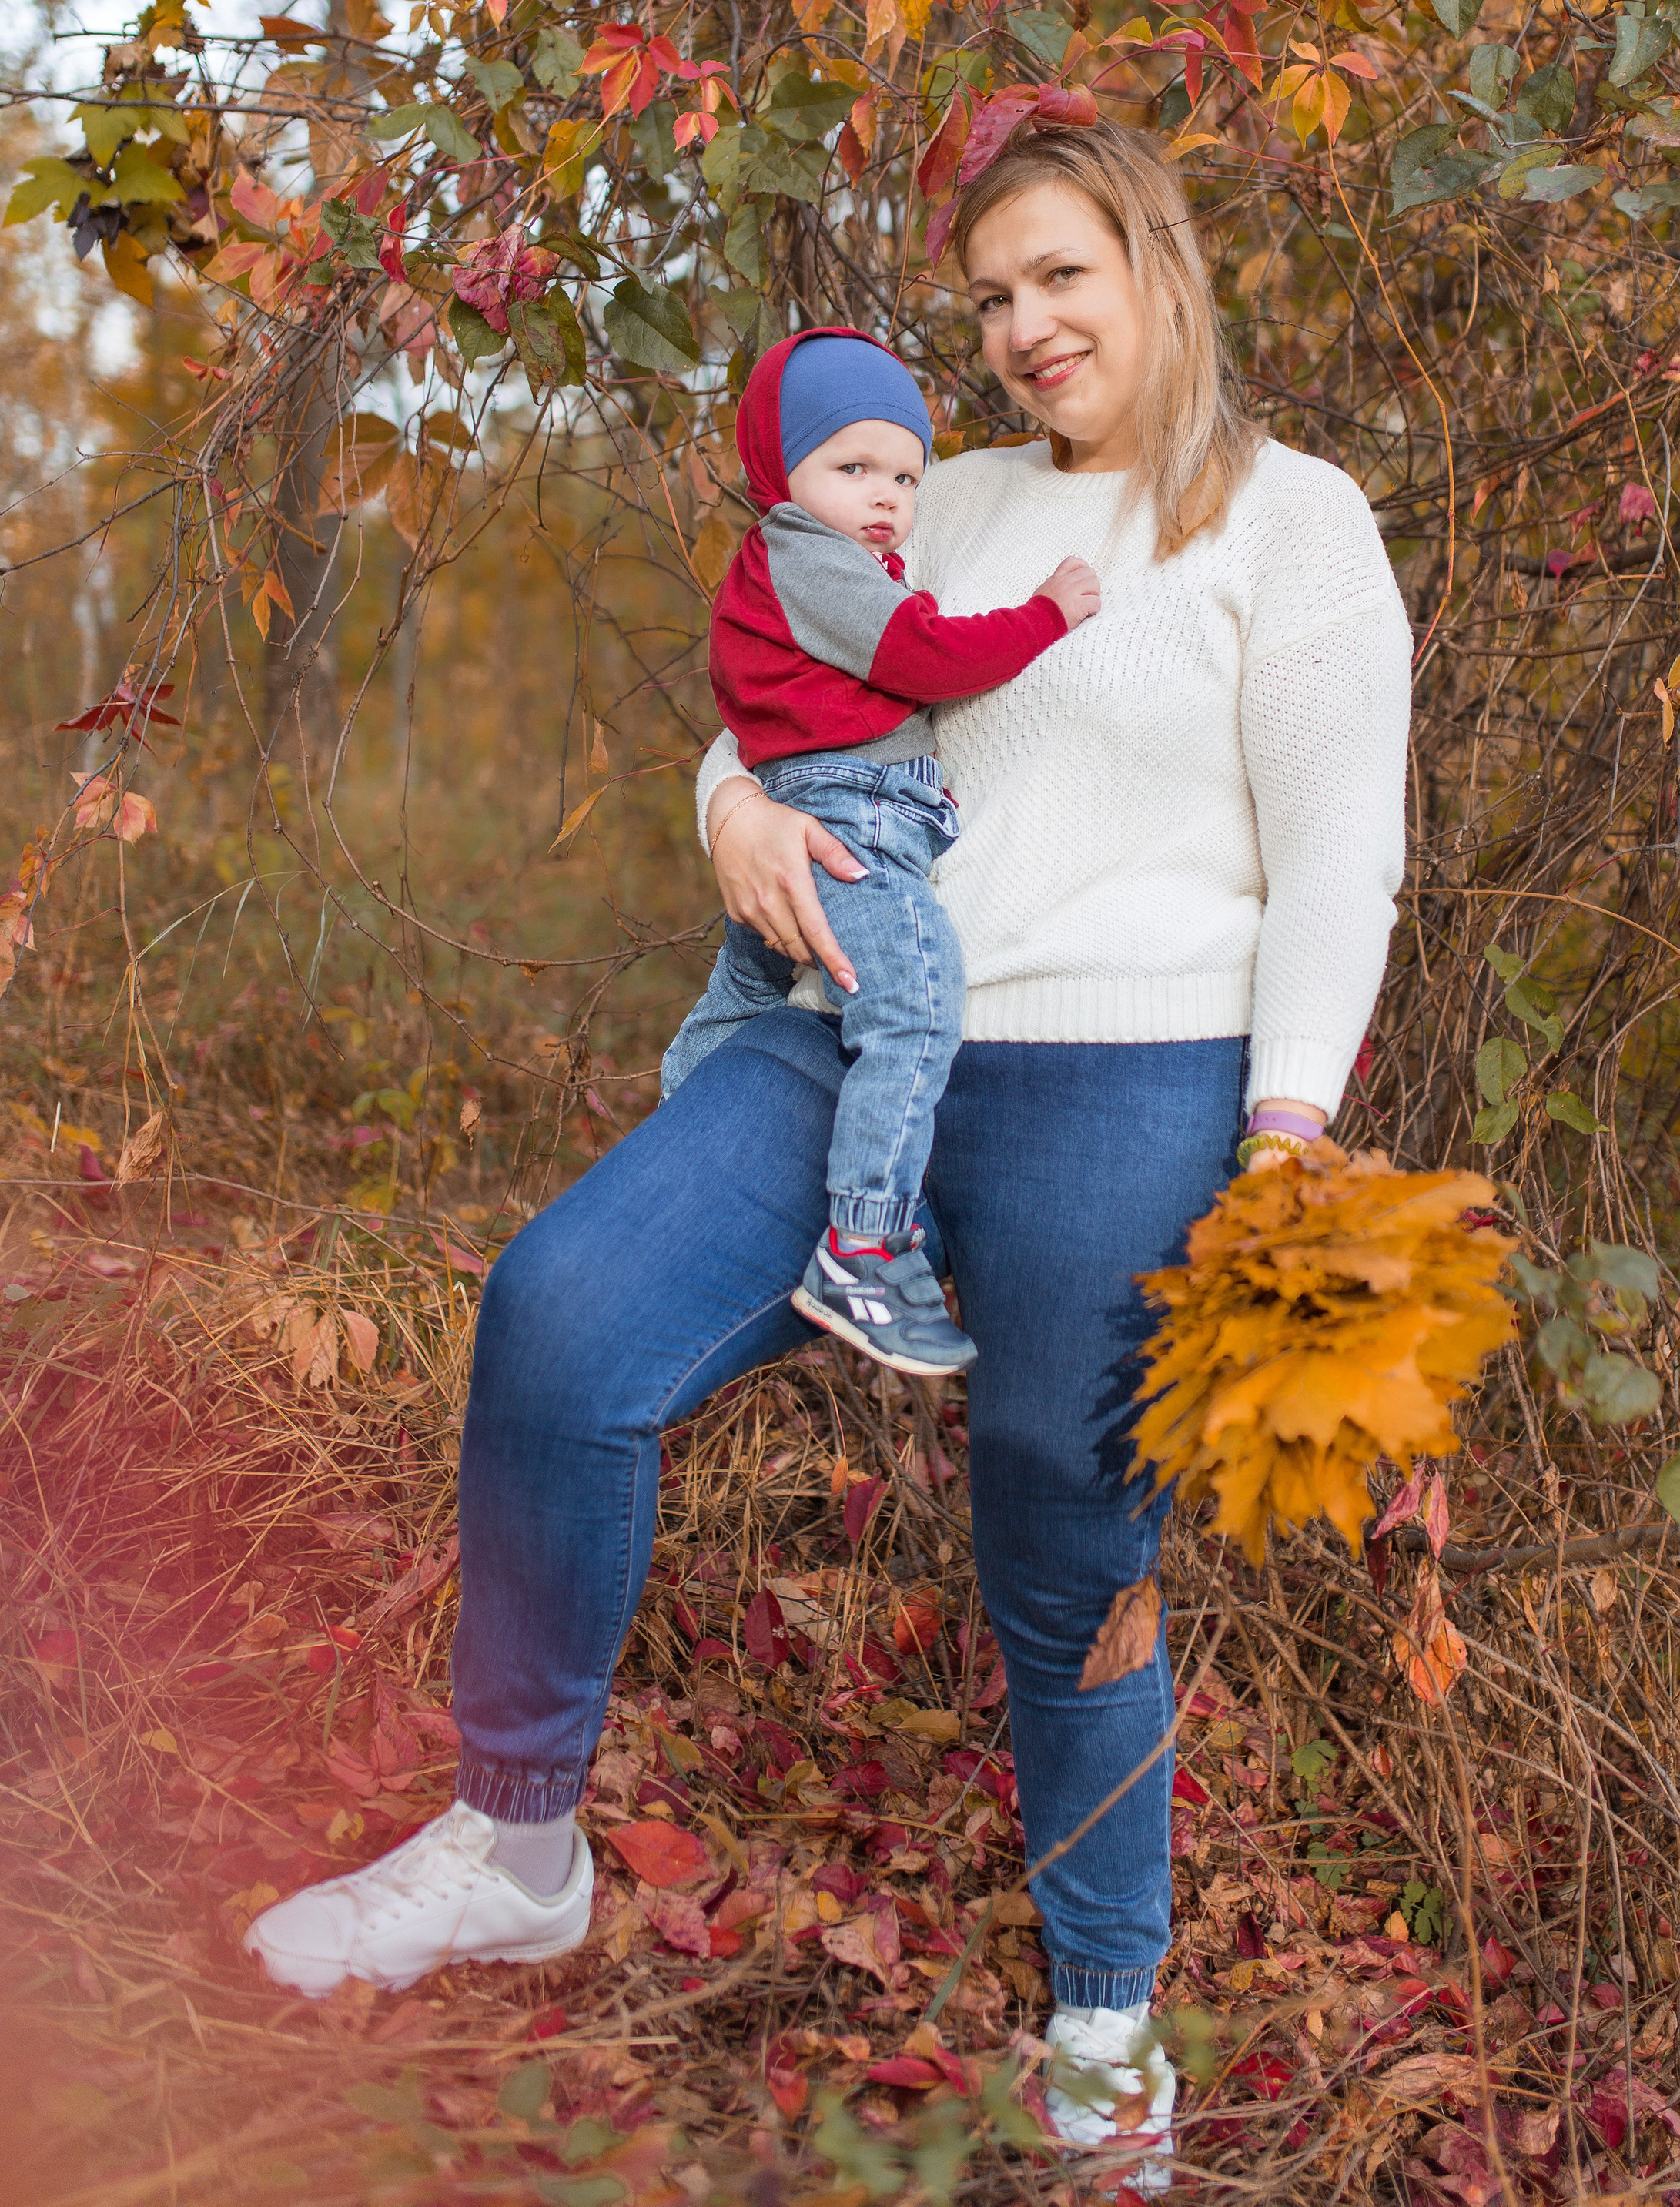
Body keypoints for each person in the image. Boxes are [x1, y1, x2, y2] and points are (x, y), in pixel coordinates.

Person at [244, 110, 1412, 2187]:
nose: (1026, 328)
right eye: (989, 297)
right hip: (846, 1024)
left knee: (1067, 1537)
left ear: (1155, 256)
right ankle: (515, 1847)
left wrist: (1291, 1127)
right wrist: (731, 818)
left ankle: (1109, 2018)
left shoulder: (1291, 525)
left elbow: (1340, 853)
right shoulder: (926, 502)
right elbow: (766, 698)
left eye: (1062, 274)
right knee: (562, 1322)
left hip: (1129, 1075)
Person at [661, 323, 1099, 1375]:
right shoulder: (807, 555)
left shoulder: (819, 558)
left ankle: (685, 1109)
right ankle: (863, 1242)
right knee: (912, 995)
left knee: (754, 983)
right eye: (852, 467)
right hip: (850, 822)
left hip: (825, 804)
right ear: (780, 469)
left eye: (905, 472)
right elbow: (922, 655)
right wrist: (1045, 616)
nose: (887, 495)